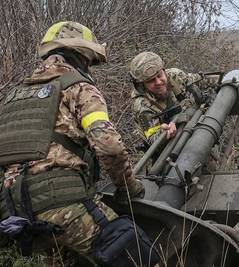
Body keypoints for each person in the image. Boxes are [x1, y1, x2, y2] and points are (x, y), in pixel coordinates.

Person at [0, 21, 158, 266]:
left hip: (16, 215)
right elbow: (109, 146)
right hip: (63, 205)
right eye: (91, 62)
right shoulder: (79, 87)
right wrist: (129, 187)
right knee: (136, 255)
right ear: (81, 56)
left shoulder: (13, 96)